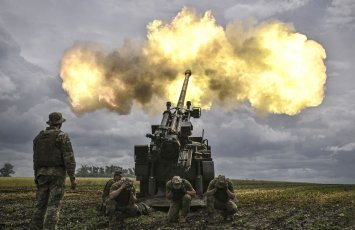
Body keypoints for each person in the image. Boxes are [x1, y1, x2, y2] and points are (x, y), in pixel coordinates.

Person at [30, 112, 76, 230]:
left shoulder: (38, 138)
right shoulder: (62, 136)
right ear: (60, 123)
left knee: (40, 205)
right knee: (53, 206)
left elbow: (35, 159)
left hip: (41, 174)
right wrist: (72, 178)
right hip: (57, 175)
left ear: (50, 123)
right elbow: (69, 158)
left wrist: (36, 176)